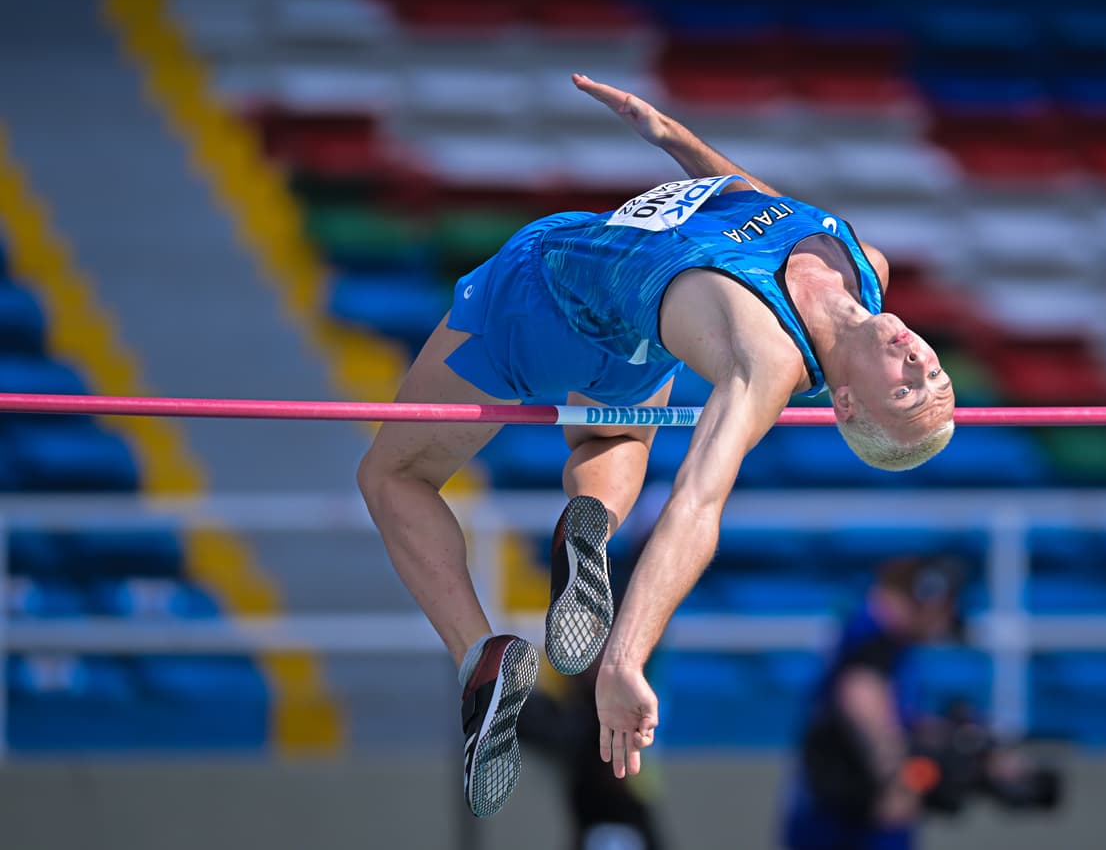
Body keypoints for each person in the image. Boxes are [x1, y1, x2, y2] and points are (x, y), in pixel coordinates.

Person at [356, 74, 956, 818]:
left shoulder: (765, 362)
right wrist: (675, 140)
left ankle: (480, 654)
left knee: (392, 476)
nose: (918, 361)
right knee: (611, 434)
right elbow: (760, 204)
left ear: (845, 403)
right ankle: (593, 524)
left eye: (906, 388)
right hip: (636, 345)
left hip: (542, 290)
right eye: (932, 372)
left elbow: (699, 503)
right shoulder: (863, 266)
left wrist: (626, 655)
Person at [783, 556, 1060, 849]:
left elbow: (892, 712)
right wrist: (893, 769)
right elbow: (861, 692)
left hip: (845, 811)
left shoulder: (884, 641)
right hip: (845, 819)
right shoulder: (873, 637)